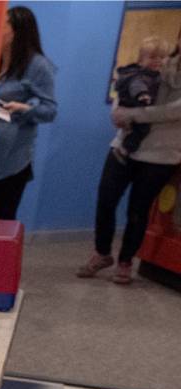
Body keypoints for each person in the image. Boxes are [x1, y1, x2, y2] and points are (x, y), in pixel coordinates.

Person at [78, 29, 181, 284]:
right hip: (125, 148)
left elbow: (174, 111)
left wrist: (134, 115)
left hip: (161, 155)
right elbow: (125, 88)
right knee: (106, 200)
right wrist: (119, 111)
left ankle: (125, 262)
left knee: (138, 210)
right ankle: (102, 253)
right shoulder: (157, 62)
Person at [0, 6, 57, 231]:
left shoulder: (38, 66)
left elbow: (50, 110)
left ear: (16, 32)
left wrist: (25, 109)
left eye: (2, 25)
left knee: (3, 222)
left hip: (12, 162)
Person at [113, 36, 169, 160]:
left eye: (162, 57)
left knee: (140, 127)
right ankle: (124, 149)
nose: (158, 61)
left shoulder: (157, 75)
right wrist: (142, 95)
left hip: (140, 107)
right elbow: (137, 85)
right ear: (141, 60)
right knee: (142, 128)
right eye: (153, 57)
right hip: (133, 103)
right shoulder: (138, 75)